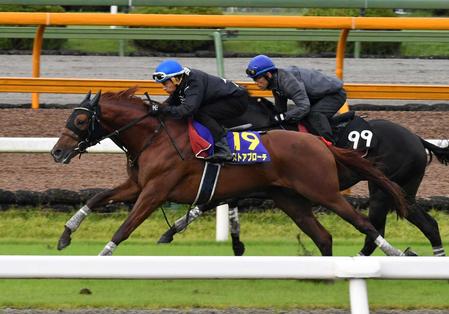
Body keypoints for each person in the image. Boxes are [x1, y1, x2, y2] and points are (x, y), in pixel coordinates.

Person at [151, 60, 249, 162]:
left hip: (236, 100)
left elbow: (187, 110)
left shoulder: (193, 82)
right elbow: (169, 103)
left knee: (199, 113)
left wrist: (162, 109)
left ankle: (224, 150)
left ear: (175, 79)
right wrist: (156, 108)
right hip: (222, 98)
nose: (163, 88)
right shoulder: (182, 81)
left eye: (165, 83)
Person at [245, 54, 347, 145]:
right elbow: (280, 111)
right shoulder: (276, 84)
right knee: (300, 118)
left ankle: (331, 145)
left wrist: (283, 116)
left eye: (257, 78)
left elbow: (304, 107)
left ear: (268, 75)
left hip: (335, 95)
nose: (256, 82)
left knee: (314, 115)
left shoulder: (287, 82)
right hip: (318, 96)